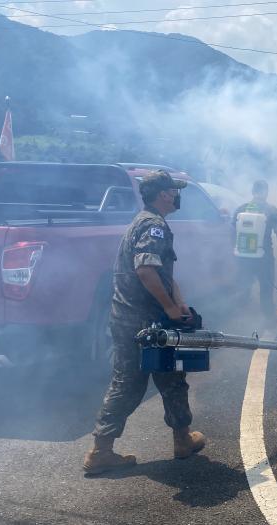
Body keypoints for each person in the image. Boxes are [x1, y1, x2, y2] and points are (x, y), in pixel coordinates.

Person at [84, 170, 206, 475]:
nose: (178, 196)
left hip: (129, 317)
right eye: (174, 191)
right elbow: (146, 270)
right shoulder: (154, 226)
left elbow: (165, 274)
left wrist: (178, 303)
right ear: (164, 194)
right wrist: (169, 307)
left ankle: (102, 450)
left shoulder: (146, 222)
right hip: (147, 321)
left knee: (132, 381)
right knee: (170, 377)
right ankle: (181, 440)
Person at [233, 180, 277, 324]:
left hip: (243, 258)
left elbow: (233, 234)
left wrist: (235, 255)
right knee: (266, 289)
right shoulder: (272, 211)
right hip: (264, 257)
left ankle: (238, 320)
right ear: (266, 192)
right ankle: (269, 319)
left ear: (252, 192)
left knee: (244, 287)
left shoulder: (240, 209)